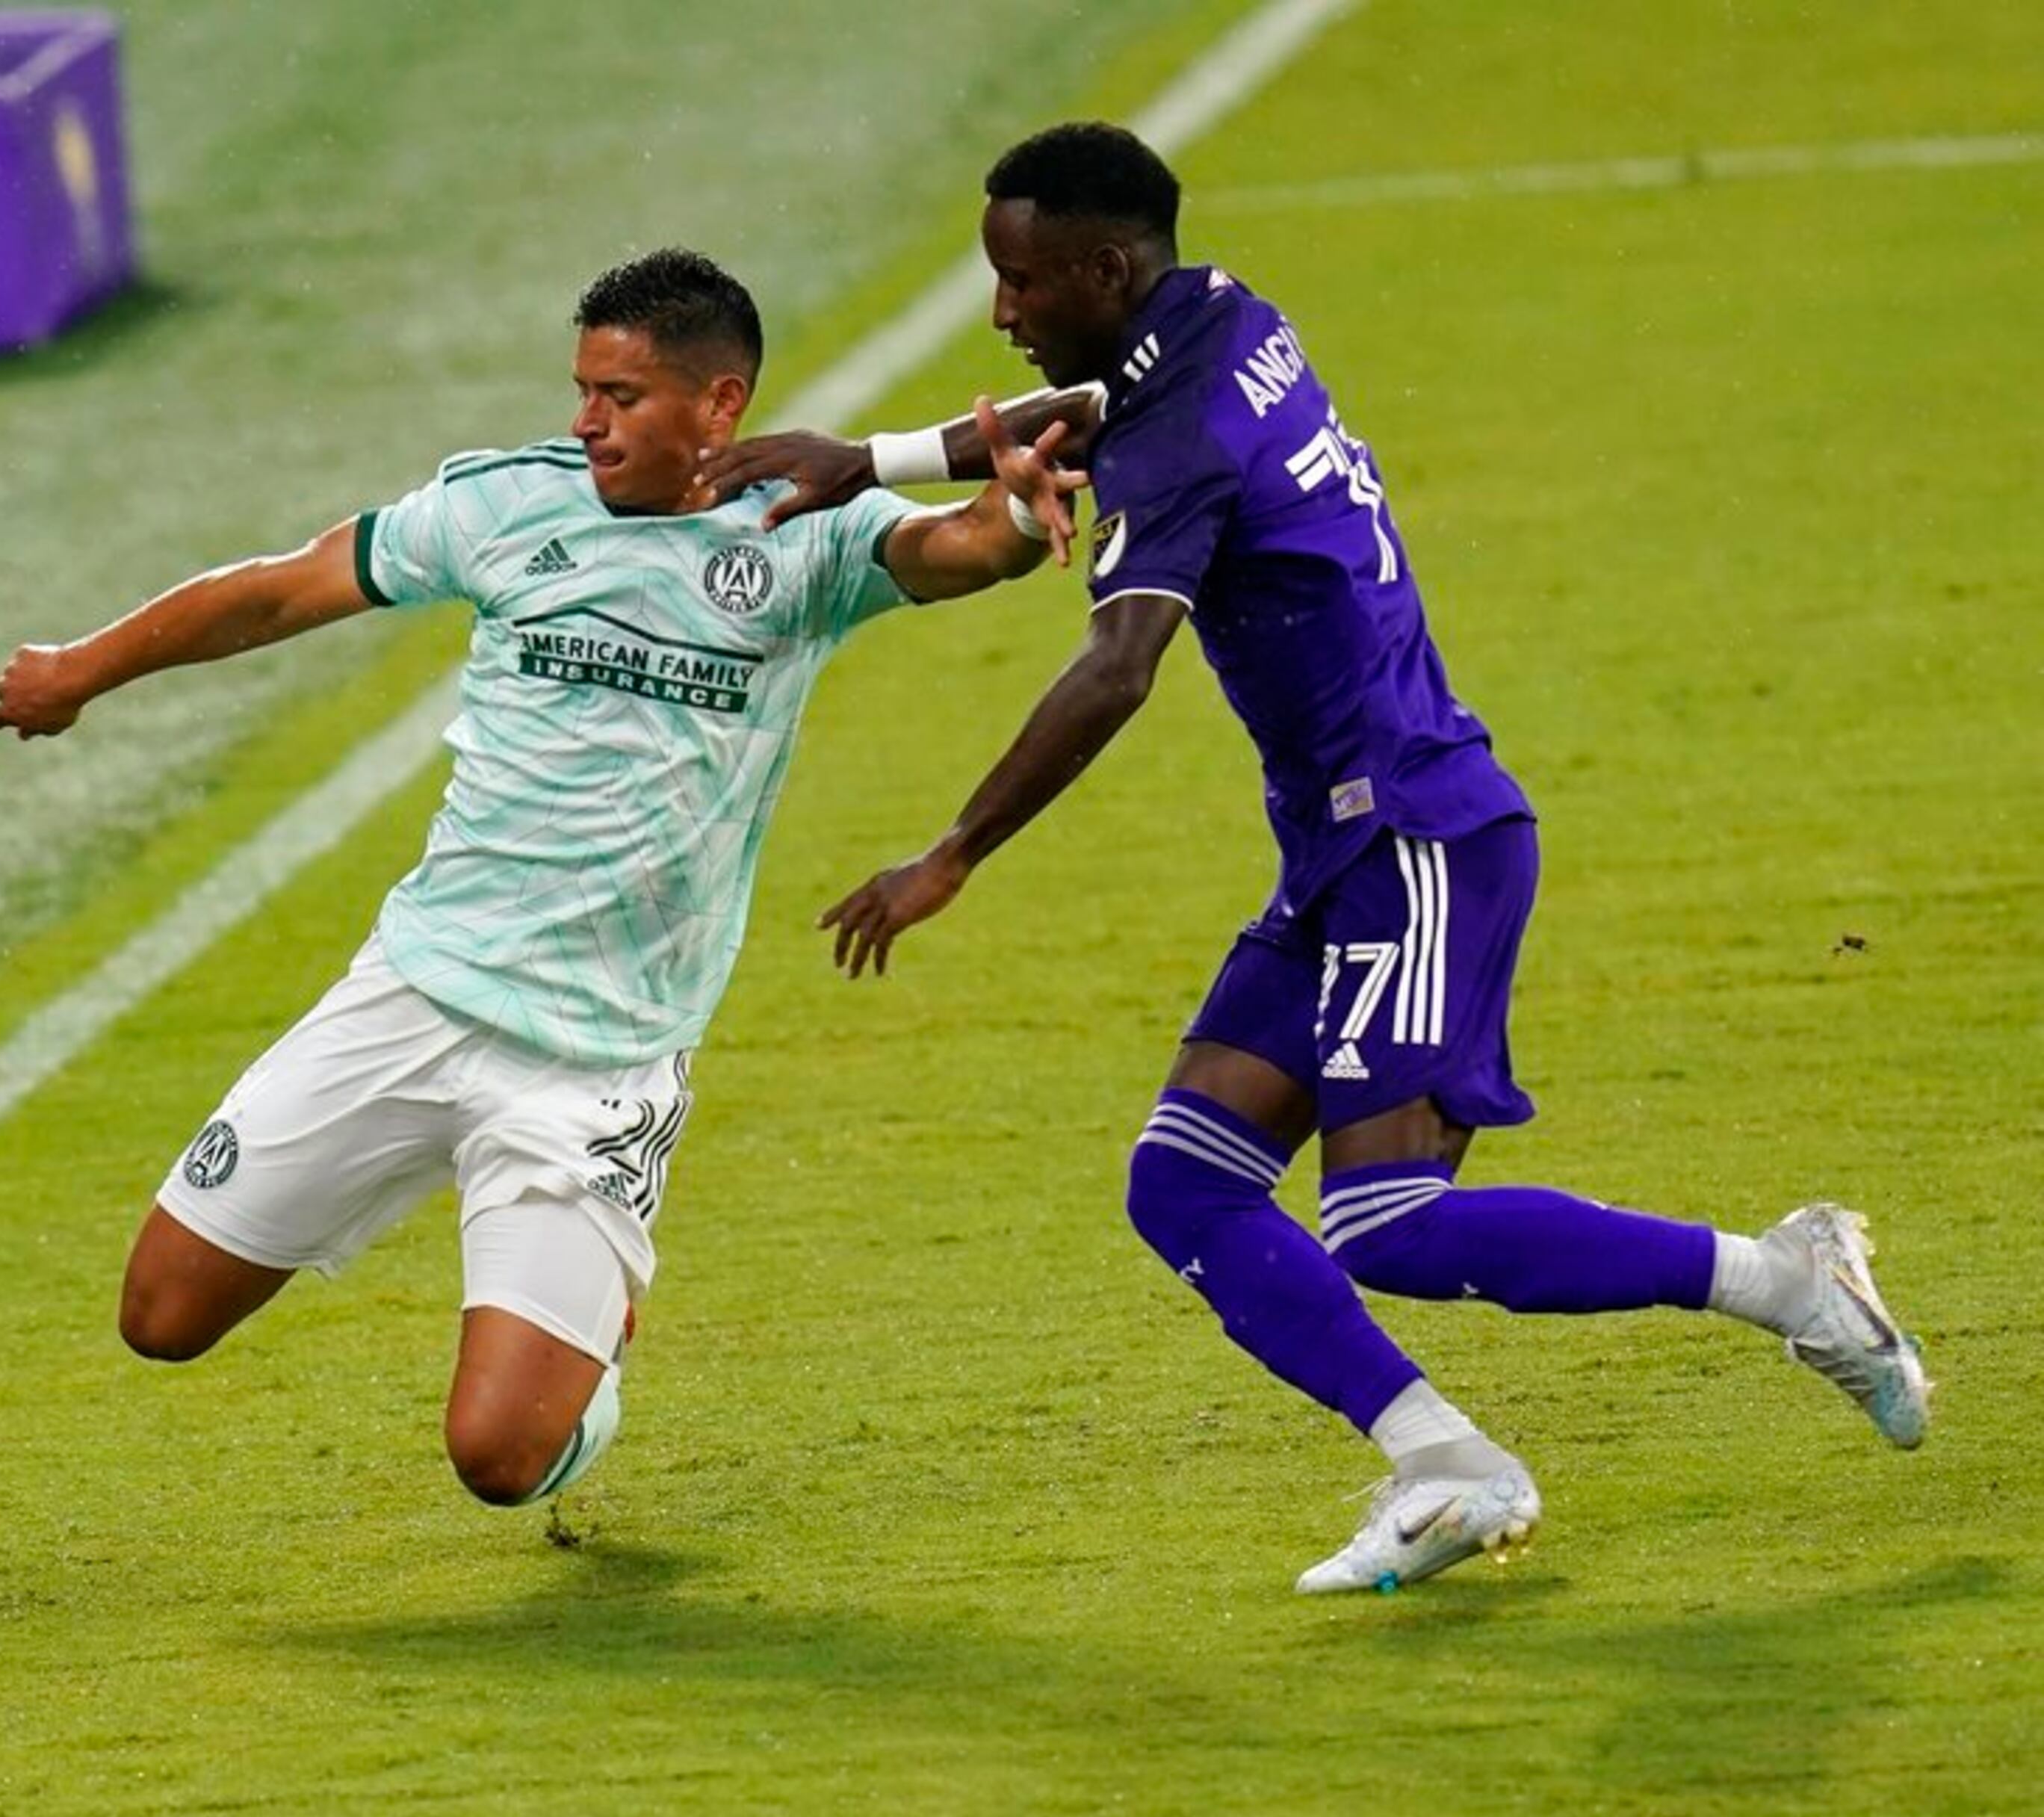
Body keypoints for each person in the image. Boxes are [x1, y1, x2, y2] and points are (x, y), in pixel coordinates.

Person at [693, 123, 1931, 1593]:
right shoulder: (1221, 317)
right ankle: (1448, 1463)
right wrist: (878, 459)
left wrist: (953, 852)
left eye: (1020, 282)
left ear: (1104, 264)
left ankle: (1788, 1280)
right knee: (1185, 1187)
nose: (1002, 311)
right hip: (1349, 849)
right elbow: (1091, 400)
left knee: (1388, 1223)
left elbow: (1115, 669)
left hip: (1418, 833)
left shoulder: (1182, 446)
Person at [0, 248, 1081, 1508]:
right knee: (159, 1313)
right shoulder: (505, 505)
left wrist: (1010, 511)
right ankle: (540, 1285)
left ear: (720, 405)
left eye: (621, 396)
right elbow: (283, 590)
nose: (585, 422)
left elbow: (955, 551)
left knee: (501, 1458)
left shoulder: (806, 530)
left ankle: (588, 1355)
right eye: (582, 390)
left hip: (593, 1065)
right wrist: (81, 669)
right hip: (417, 995)